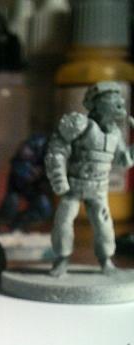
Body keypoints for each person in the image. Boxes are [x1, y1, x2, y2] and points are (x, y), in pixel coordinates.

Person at [45, 82, 134, 277]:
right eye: (111, 98)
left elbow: (123, 160)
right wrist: (59, 178)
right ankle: (62, 259)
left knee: (104, 225)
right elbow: (57, 149)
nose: (119, 103)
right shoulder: (80, 125)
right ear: (96, 104)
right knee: (63, 221)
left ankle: (106, 260)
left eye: (119, 98)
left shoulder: (115, 133)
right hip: (74, 187)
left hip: (99, 189)